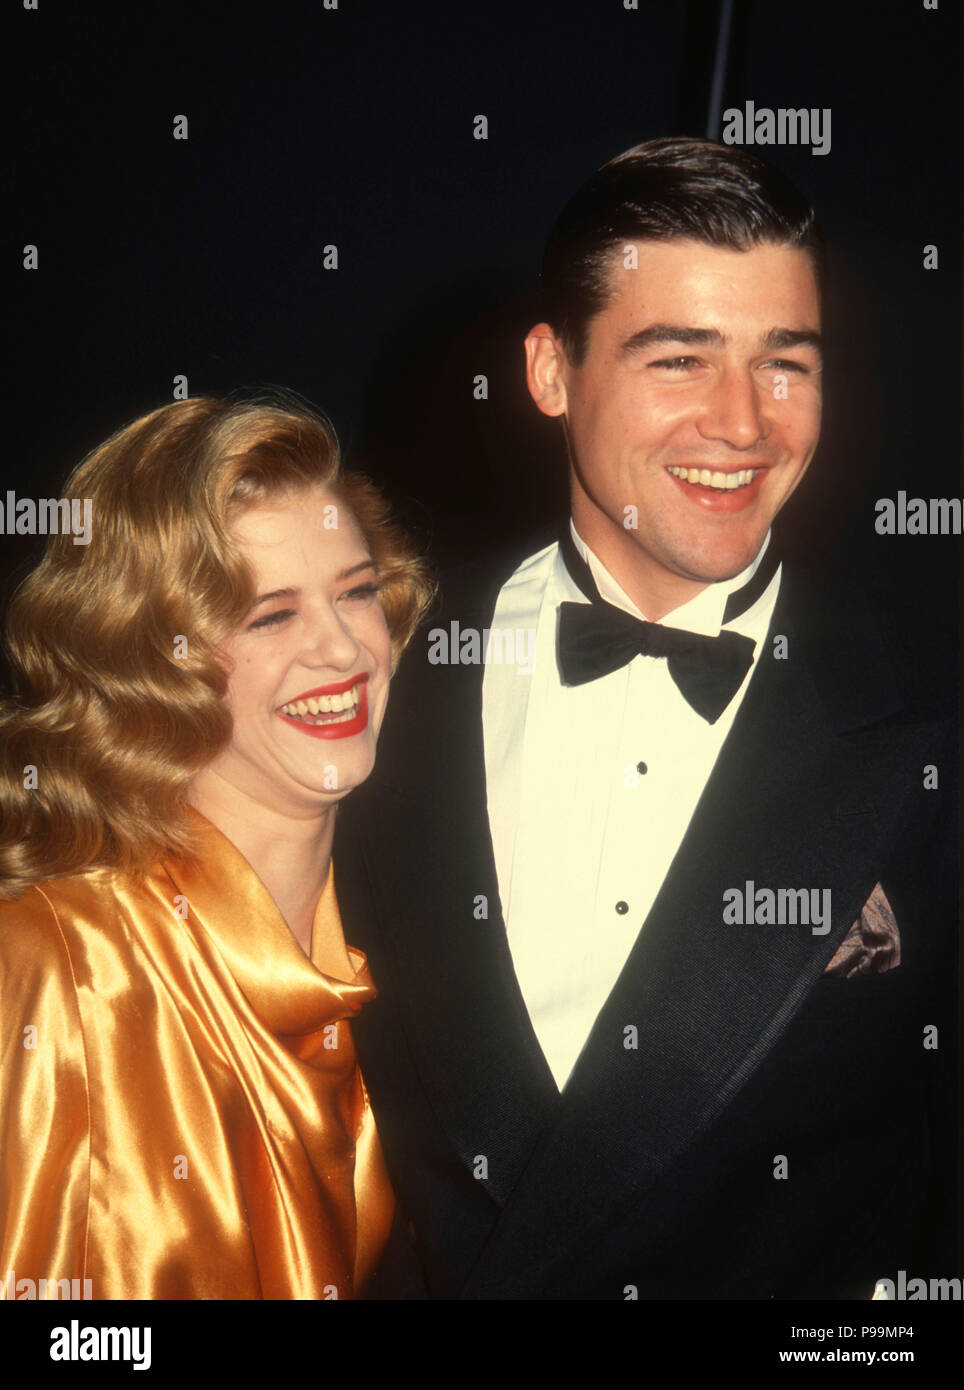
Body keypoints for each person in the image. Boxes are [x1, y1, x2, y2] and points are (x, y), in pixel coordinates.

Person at [334, 137, 957, 1299]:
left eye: (787, 362)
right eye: (678, 360)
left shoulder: (931, 716)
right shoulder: (375, 677)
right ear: (550, 372)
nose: (743, 423)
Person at [0, 395, 433, 1300]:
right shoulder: (56, 964)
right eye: (269, 616)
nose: (342, 647)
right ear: (154, 660)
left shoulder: (409, 938)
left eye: (356, 591)